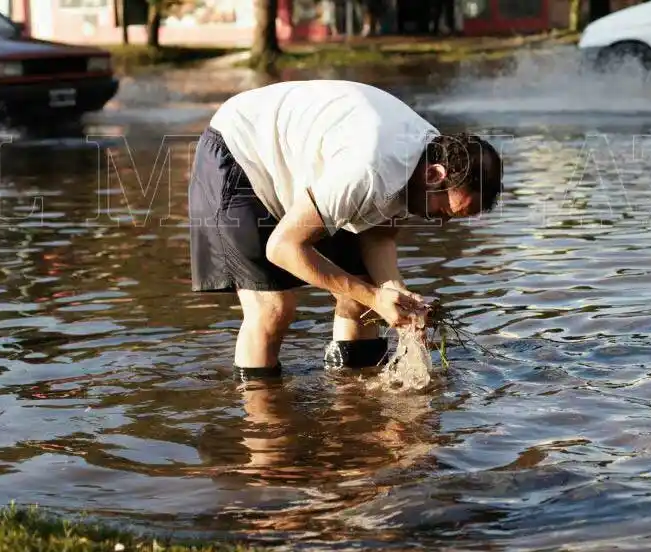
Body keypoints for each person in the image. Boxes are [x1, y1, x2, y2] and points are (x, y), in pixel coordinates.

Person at [188, 80, 503, 380]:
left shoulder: (426, 158)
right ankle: (263, 422)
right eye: (445, 211)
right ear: (435, 174)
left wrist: (393, 291)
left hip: (309, 163)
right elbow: (282, 248)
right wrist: (375, 298)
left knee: (362, 294)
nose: (441, 222)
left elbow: (379, 235)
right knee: (273, 309)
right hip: (239, 151)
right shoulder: (368, 171)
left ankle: (350, 399)